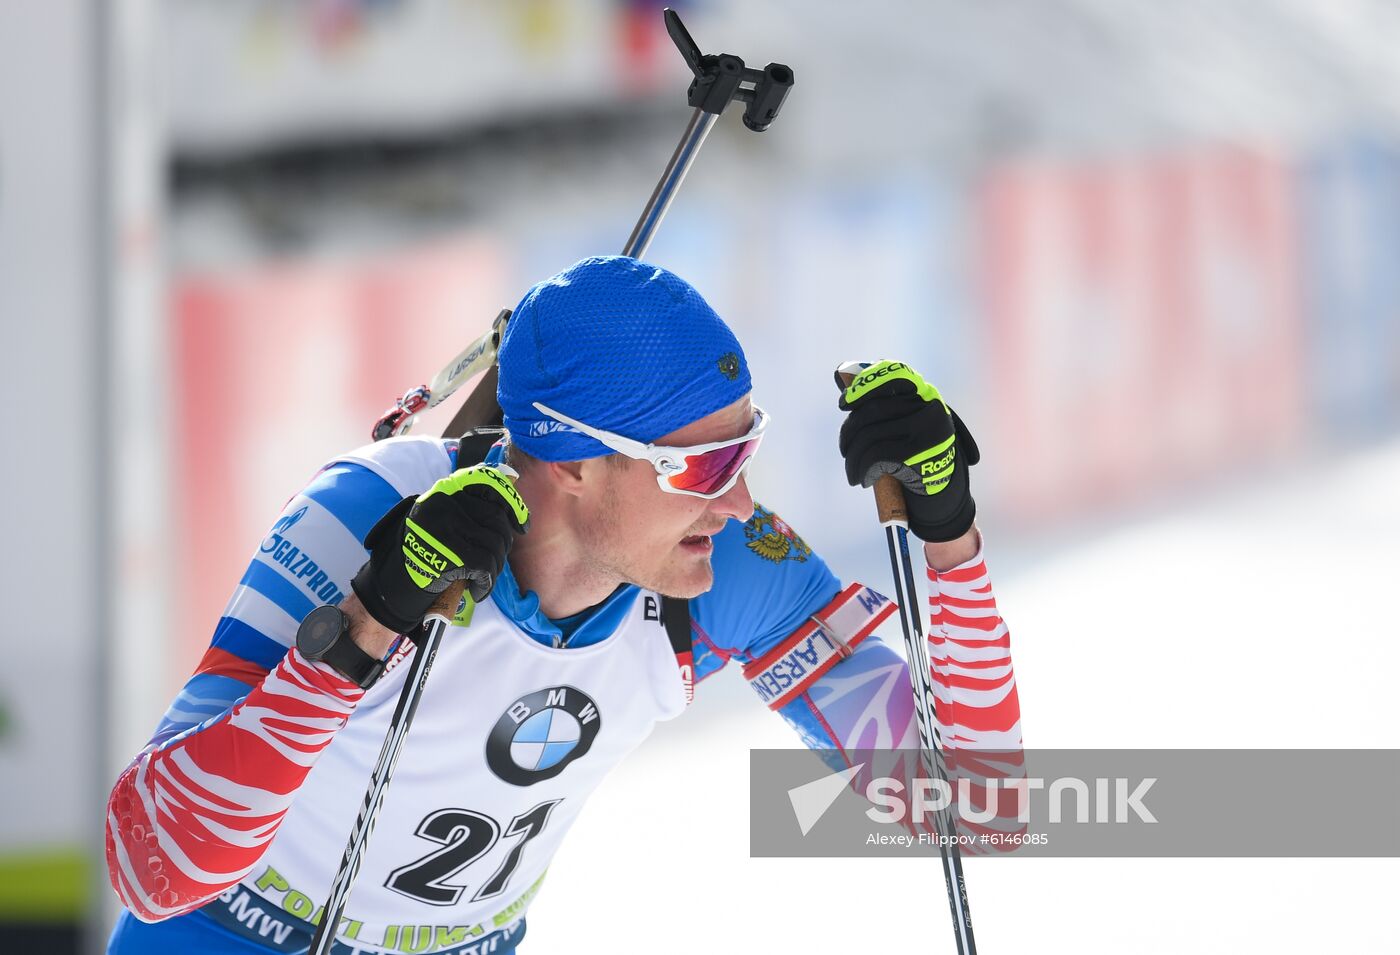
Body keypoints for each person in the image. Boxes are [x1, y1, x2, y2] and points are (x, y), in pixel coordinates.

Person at [104, 256, 1021, 955]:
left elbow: (974, 811)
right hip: (228, 930)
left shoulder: (719, 564)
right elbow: (152, 860)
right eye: (704, 467)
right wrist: (366, 624)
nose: (739, 502)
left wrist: (949, 537)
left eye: (747, 451)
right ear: (575, 463)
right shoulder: (371, 512)